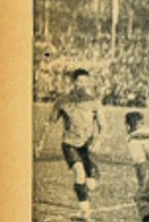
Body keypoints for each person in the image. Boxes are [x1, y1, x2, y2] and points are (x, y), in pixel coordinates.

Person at [51, 68, 105, 221]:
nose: (82, 84)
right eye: (79, 81)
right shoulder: (62, 101)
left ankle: (86, 192)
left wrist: (98, 142)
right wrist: (39, 143)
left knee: (92, 184)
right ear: (73, 82)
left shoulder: (94, 102)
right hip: (69, 143)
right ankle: (85, 214)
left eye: (85, 82)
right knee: (79, 174)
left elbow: (104, 126)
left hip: (88, 145)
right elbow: (49, 122)